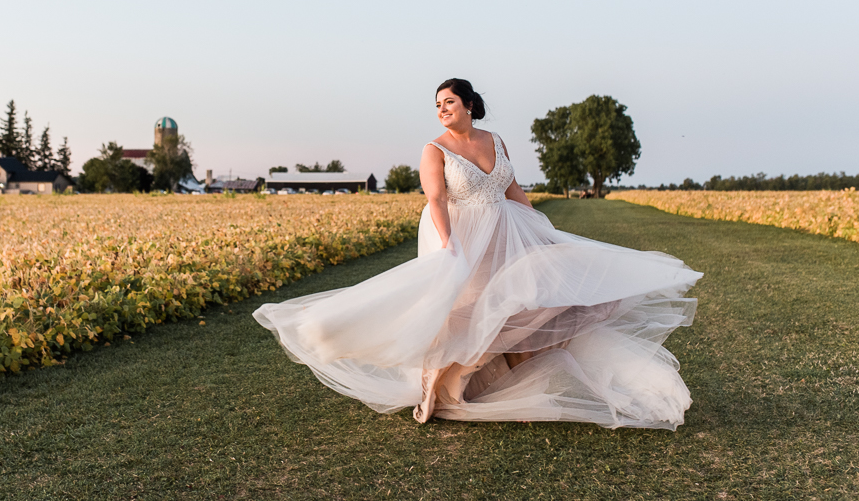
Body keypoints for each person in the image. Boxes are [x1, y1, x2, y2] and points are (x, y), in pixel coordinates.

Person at [253, 79, 702, 429]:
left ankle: (513, 385)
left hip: (510, 229)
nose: (442, 110)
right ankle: (445, 385)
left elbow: (512, 188)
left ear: (469, 105)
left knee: (529, 302)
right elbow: (435, 200)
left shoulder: (496, 140)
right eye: (437, 105)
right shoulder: (435, 149)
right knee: (475, 309)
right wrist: (449, 247)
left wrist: (542, 228)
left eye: (448, 101)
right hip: (464, 234)